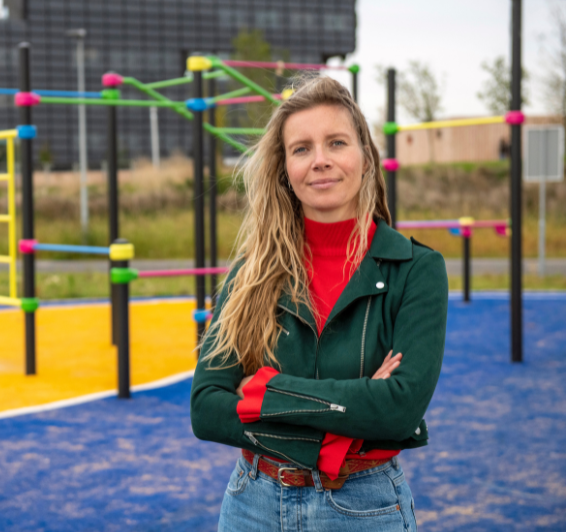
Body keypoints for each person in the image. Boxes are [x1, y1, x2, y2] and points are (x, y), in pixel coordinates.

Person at [190, 76, 448, 532]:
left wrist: (261, 390)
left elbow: (398, 408)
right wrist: (335, 437)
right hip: (252, 502)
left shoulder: (416, 270)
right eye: (302, 148)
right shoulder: (250, 275)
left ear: (365, 157)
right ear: (285, 168)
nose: (321, 161)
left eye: (336, 142)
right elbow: (207, 408)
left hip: (363, 507)